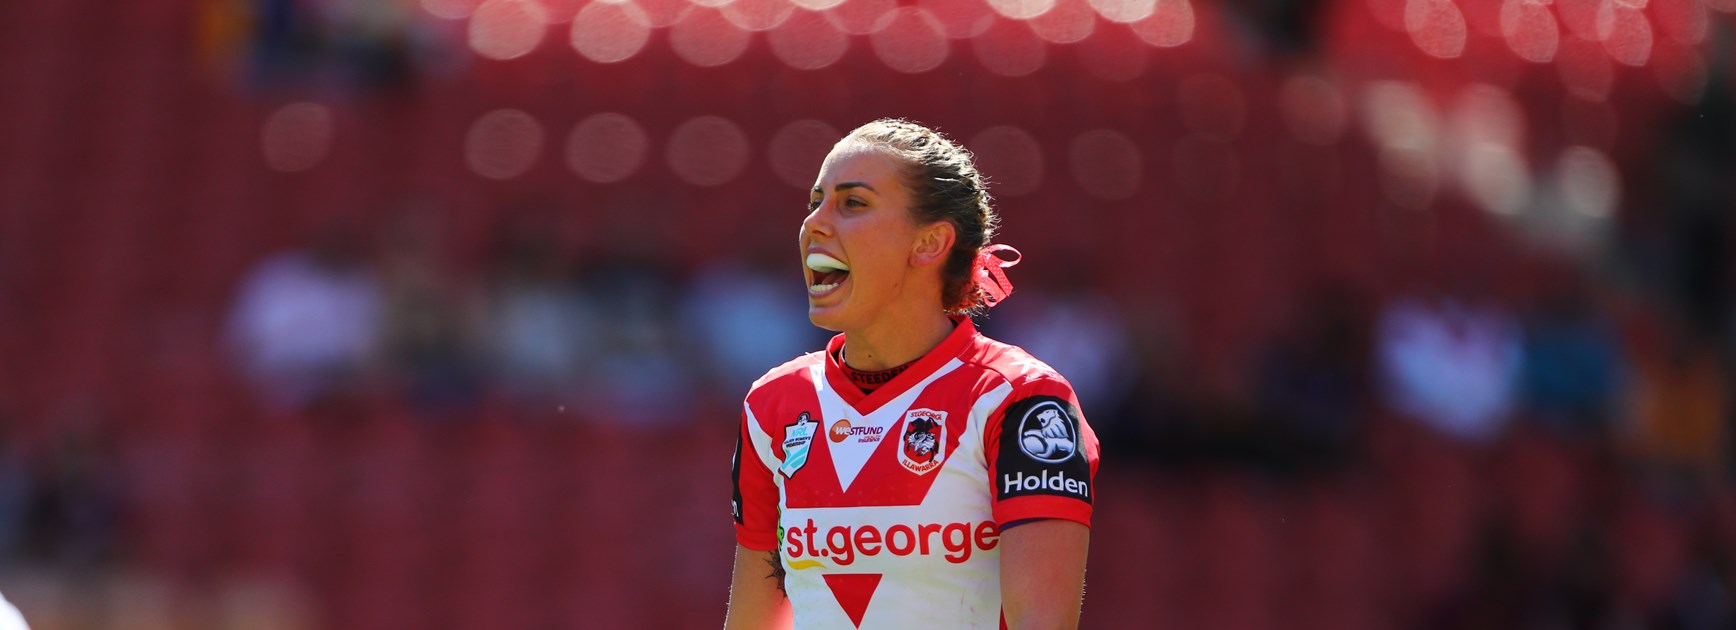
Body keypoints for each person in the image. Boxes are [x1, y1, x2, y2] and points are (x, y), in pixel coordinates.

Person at [725, 119, 1100, 629]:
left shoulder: (1022, 400)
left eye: (852, 203)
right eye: (815, 201)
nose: (814, 222)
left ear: (929, 243)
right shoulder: (773, 403)